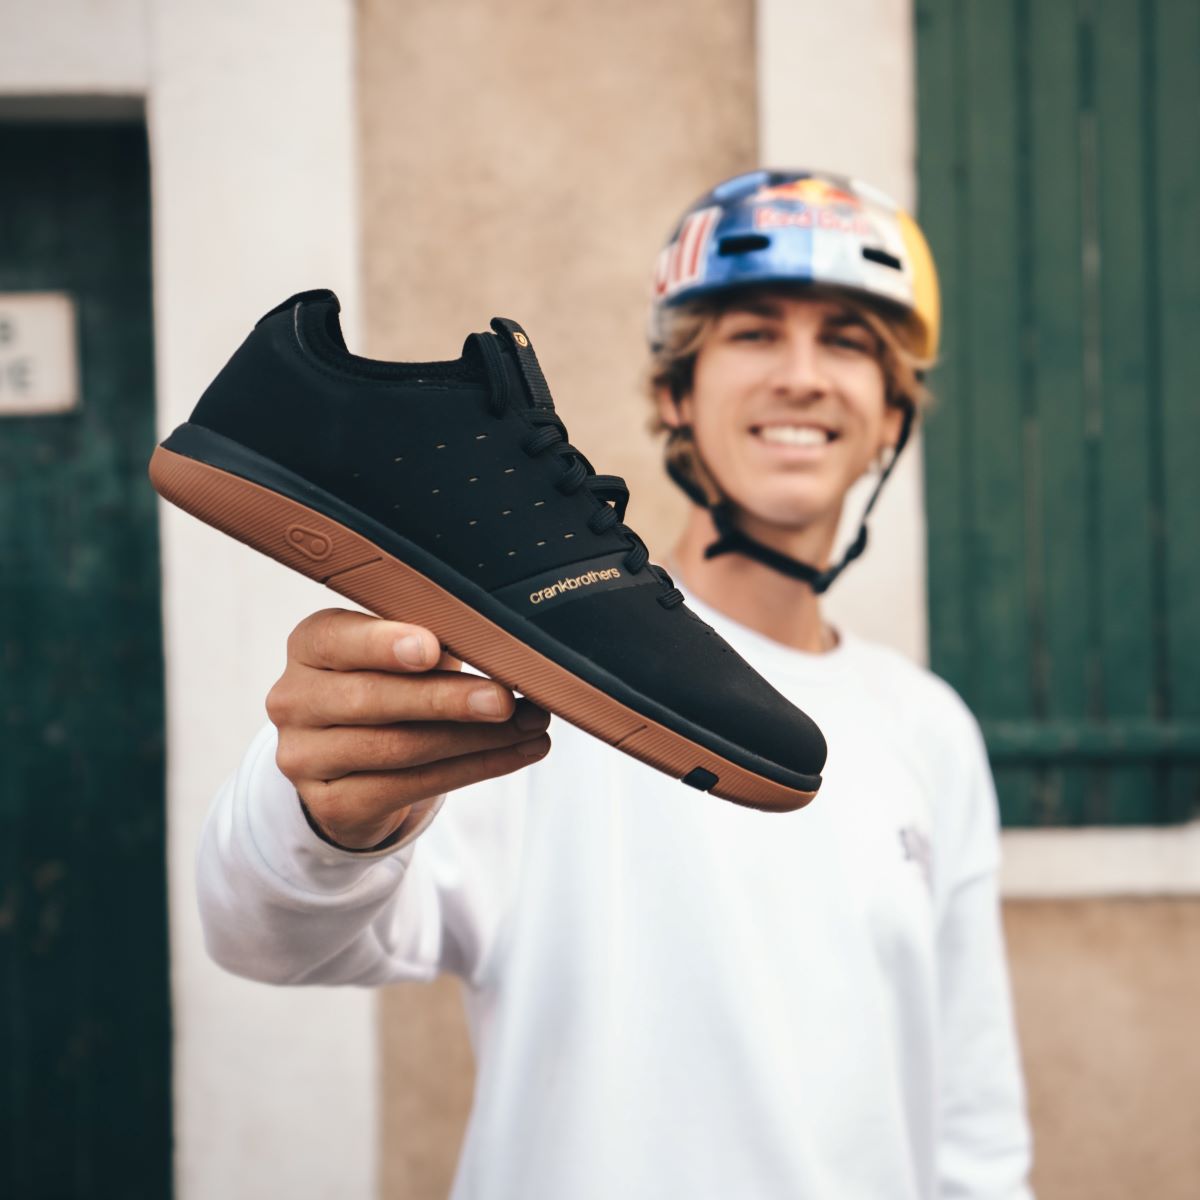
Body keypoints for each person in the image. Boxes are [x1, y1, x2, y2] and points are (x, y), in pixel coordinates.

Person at [197, 169, 1035, 1199]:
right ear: (677, 392)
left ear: (893, 411)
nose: (803, 376)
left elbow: (972, 1123)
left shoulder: (930, 727)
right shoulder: (532, 659)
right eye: (755, 333)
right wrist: (315, 811)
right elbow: (264, 934)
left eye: (849, 341)